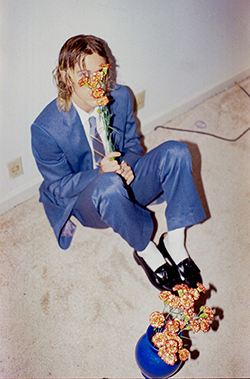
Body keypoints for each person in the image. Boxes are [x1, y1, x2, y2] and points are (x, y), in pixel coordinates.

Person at [31, 34, 207, 291]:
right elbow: (58, 187)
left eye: (100, 72)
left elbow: (133, 147)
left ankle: (175, 243)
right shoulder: (46, 128)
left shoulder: (121, 97)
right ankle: (146, 250)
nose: (95, 83)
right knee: (109, 185)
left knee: (177, 151)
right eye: (83, 74)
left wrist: (127, 166)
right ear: (66, 75)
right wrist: (100, 173)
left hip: (123, 176)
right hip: (89, 199)